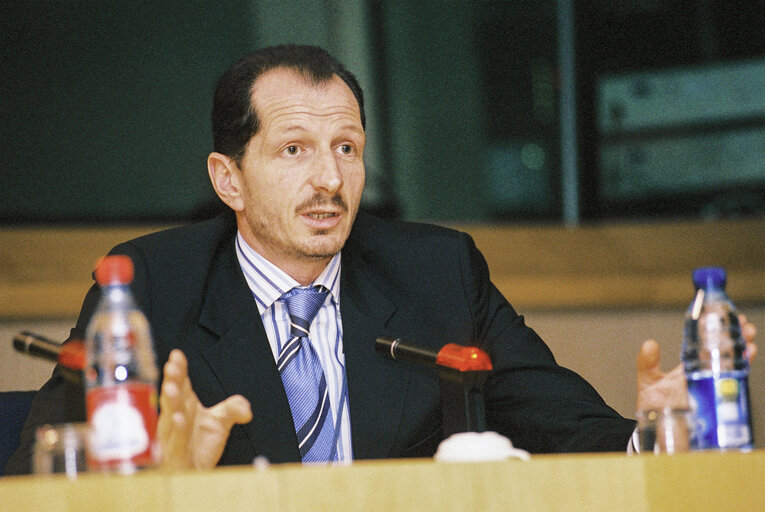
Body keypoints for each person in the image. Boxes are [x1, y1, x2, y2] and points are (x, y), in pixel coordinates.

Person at [5, 44, 757, 474]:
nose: (329, 180)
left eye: (347, 149)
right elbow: (42, 472)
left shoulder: (436, 269)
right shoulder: (149, 288)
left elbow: (560, 422)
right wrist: (157, 478)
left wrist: (652, 430)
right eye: (293, 150)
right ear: (227, 178)